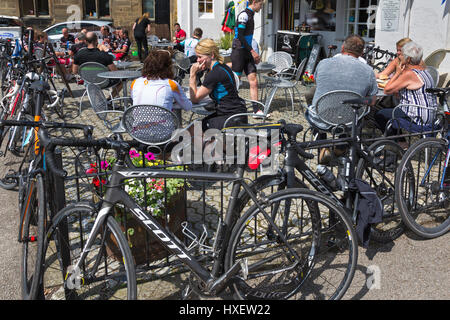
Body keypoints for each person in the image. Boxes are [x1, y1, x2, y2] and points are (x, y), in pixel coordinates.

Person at [307, 34, 378, 163]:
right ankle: (341, 147)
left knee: (313, 105)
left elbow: (318, 84)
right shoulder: (368, 71)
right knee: (355, 112)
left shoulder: (323, 63)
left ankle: (322, 144)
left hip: (321, 117)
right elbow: (372, 101)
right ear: (362, 53)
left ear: (343, 47)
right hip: (350, 121)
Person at [374, 41, 437, 141]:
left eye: (402, 55)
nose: (400, 57)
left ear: (408, 59)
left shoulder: (409, 74)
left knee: (380, 114)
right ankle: (400, 142)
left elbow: (387, 90)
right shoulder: (424, 71)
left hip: (418, 117)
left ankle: (400, 143)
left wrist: (398, 73)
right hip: (430, 115)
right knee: (390, 110)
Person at [190, 38, 248, 132]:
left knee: (194, 130)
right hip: (237, 113)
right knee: (196, 127)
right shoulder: (222, 67)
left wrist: (192, 75)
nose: (198, 60)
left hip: (231, 118)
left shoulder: (215, 73)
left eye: (200, 57)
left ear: (212, 55)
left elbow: (195, 99)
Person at [230, 0, 264, 114]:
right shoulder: (244, 15)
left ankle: (256, 110)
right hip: (239, 51)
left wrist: (251, 52)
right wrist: (253, 51)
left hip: (247, 51)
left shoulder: (251, 15)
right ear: (254, 2)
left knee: (254, 81)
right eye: (261, 4)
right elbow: (240, 35)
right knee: (236, 81)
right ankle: (231, 108)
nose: (261, 7)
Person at [72, 31, 122, 96]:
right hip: (103, 82)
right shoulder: (104, 55)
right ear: (96, 41)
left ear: (85, 41)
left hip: (88, 83)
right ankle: (109, 100)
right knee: (120, 82)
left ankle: (98, 100)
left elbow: (74, 71)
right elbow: (115, 72)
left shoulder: (78, 55)